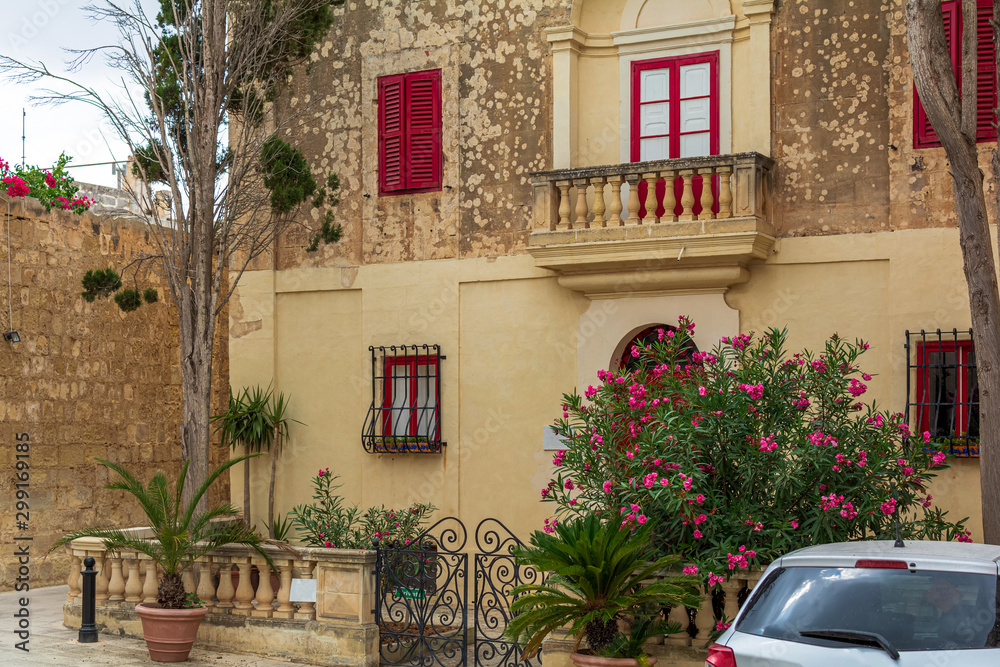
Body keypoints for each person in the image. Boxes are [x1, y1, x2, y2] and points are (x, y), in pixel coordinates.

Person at [924, 577, 980, 646]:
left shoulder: (971, 615)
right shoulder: (975, 614)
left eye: (948, 598)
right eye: (937, 600)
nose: (943, 596)